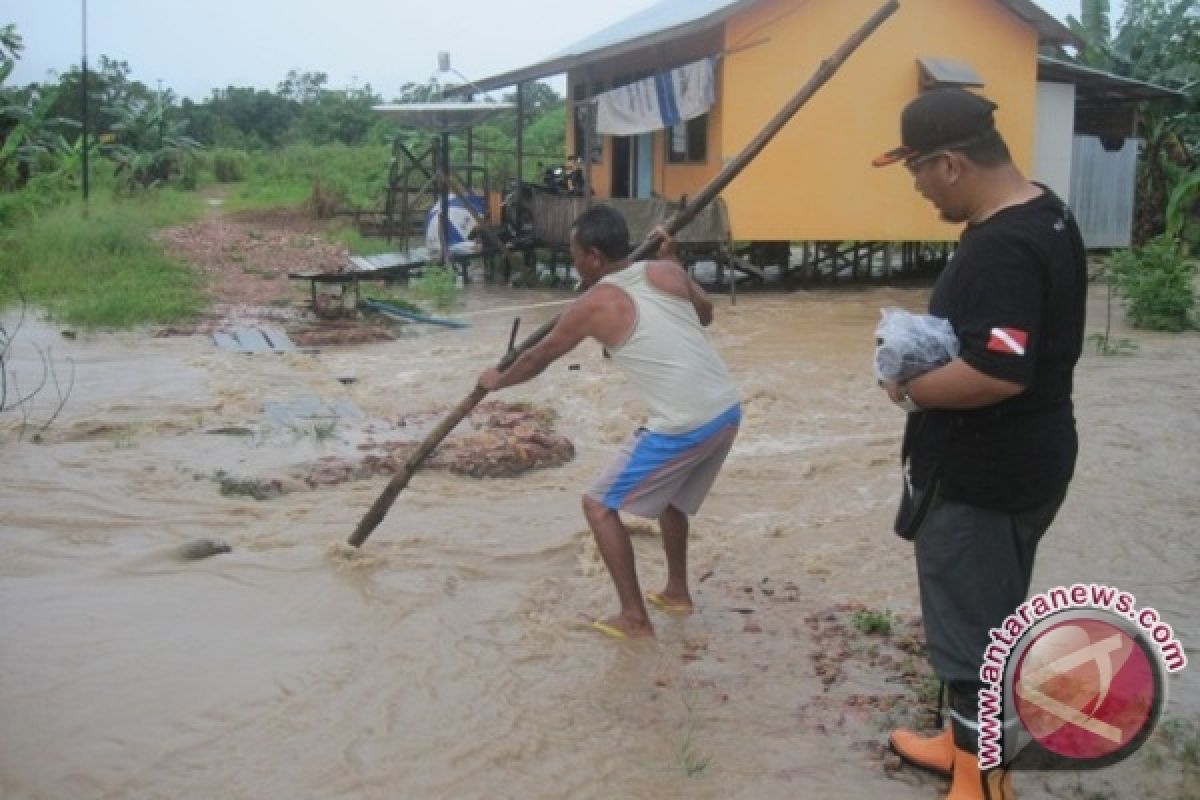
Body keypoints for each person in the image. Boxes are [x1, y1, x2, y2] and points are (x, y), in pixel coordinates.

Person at [872, 88, 1087, 800]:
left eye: (917, 172)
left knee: (972, 636)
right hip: (1030, 458)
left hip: (986, 473)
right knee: (986, 613)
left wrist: (907, 387)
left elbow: (996, 373)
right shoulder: (1047, 212)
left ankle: (984, 783)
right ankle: (962, 748)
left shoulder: (1003, 247)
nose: (917, 187)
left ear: (952, 164)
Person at [477, 205, 741, 639]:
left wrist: (497, 380)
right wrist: (674, 263)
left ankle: (634, 618)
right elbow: (706, 313)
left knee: (598, 505)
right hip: (726, 410)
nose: (573, 260)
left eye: (575, 252)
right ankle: (676, 591)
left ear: (595, 257)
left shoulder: (594, 303)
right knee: (671, 500)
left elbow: (540, 357)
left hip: (685, 422)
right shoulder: (666, 272)